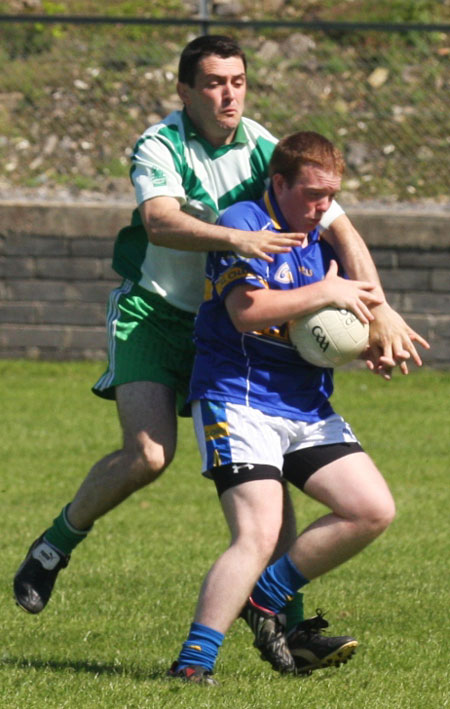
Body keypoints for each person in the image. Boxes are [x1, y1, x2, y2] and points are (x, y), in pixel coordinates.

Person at [14, 35, 427, 651]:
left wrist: (380, 307)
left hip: (227, 329)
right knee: (149, 456)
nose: (228, 93)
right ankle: (55, 546)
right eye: (213, 82)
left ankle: (286, 629)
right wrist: (237, 241)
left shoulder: (263, 143)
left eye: (236, 80)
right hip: (156, 313)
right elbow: (159, 220)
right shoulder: (161, 144)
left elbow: (343, 227)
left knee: (273, 477)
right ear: (185, 91)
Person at [168, 131, 398, 685]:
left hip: (304, 404)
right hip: (238, 397)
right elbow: (249, 312)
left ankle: (265, 598)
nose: (323, 207)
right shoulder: (244, 225)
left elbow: (331, 323)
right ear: (279, 183)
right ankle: (193, 665)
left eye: (331, 196)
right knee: (259, 531)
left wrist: (369, 343)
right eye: (313, 194)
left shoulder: (323, 239)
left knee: (372, 508)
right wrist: (329, 294)